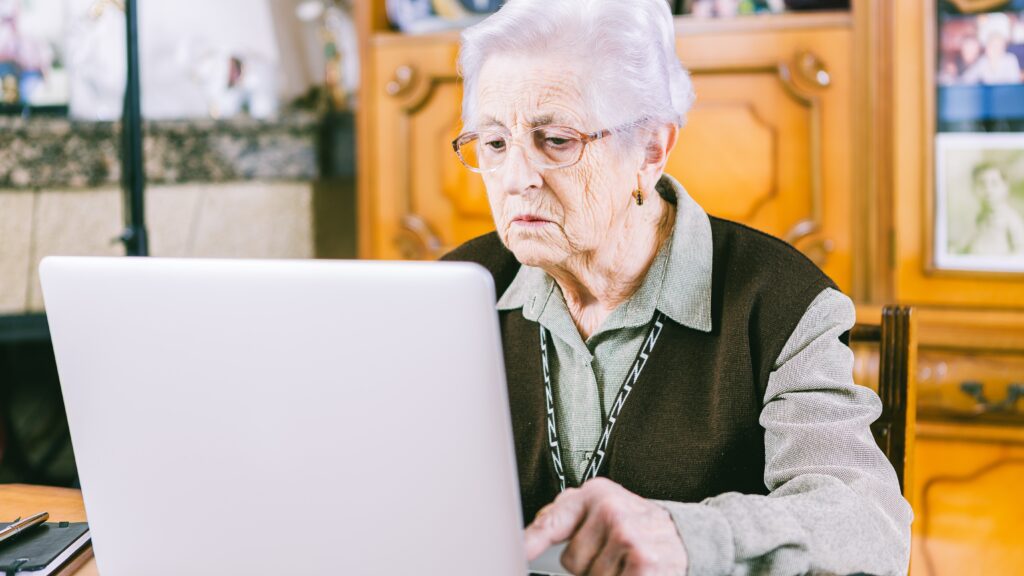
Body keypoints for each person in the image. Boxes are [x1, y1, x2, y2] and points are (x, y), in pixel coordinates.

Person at [442, 0, 913, 573]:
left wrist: (688, 535)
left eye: (557, 140)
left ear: (650, 151)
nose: (515, 179)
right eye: (494, 145)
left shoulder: (780, 304)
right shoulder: (455, 296)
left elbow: (866, 524)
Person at [961, 163, 1024, 257]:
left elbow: (1020, 249)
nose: (988, 189)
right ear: (974, 188)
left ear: (1005, 188)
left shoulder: (1010, 218)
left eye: (994, 184)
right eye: (981, 184)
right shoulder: (978, 217)